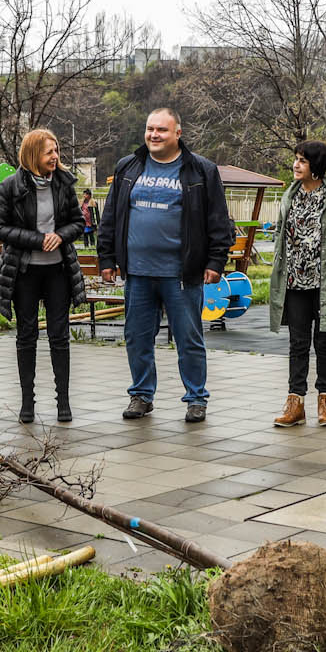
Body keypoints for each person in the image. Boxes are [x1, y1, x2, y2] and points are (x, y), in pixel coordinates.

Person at [96, 108, 233, 423]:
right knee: (137, 338)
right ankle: (141, 396)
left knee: (189, 340)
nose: (154, 135)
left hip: (181, 274)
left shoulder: (201, 170)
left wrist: (215, 261)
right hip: (138, 272)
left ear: (177, 133)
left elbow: (218, 220)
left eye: (162, 130)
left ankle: (196, 399)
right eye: (150, 129)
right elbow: (111, 216)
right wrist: (107, 258)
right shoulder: (128, 166)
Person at [0, 127, 89, 424]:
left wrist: (60, 236)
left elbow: (78, 222)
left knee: (60, 336)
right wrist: (37, 240)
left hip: (58, 270)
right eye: (49, 152)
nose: (55, 156)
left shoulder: (63, 184)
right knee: (27, 336)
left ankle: (63, 402)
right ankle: (27, 403)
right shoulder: (10, 187)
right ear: (34, 154)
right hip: (24, 272)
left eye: (56, 150)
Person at [267, 139, 326, 428]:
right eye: (296, 159)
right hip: (294, 283)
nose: (296, 165)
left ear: (316, 166)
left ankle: (325, 401)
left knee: (324, 343)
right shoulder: (290, 195)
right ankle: (295, 403)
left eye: (302, 161)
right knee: (297, 344)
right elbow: (281, 236)